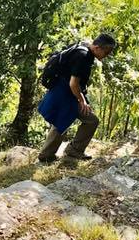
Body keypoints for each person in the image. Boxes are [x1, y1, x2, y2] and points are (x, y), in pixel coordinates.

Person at [37, 34, 117, 165]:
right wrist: (82, 101)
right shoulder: (83, 56)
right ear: (97, 47)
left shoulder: (84, 49)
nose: (107, 55)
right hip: (64, 92)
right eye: (106, 52)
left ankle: (74, 149)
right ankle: (46, 156)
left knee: (90, 121)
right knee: (61, 122)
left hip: (69, 92)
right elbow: (73, 83)